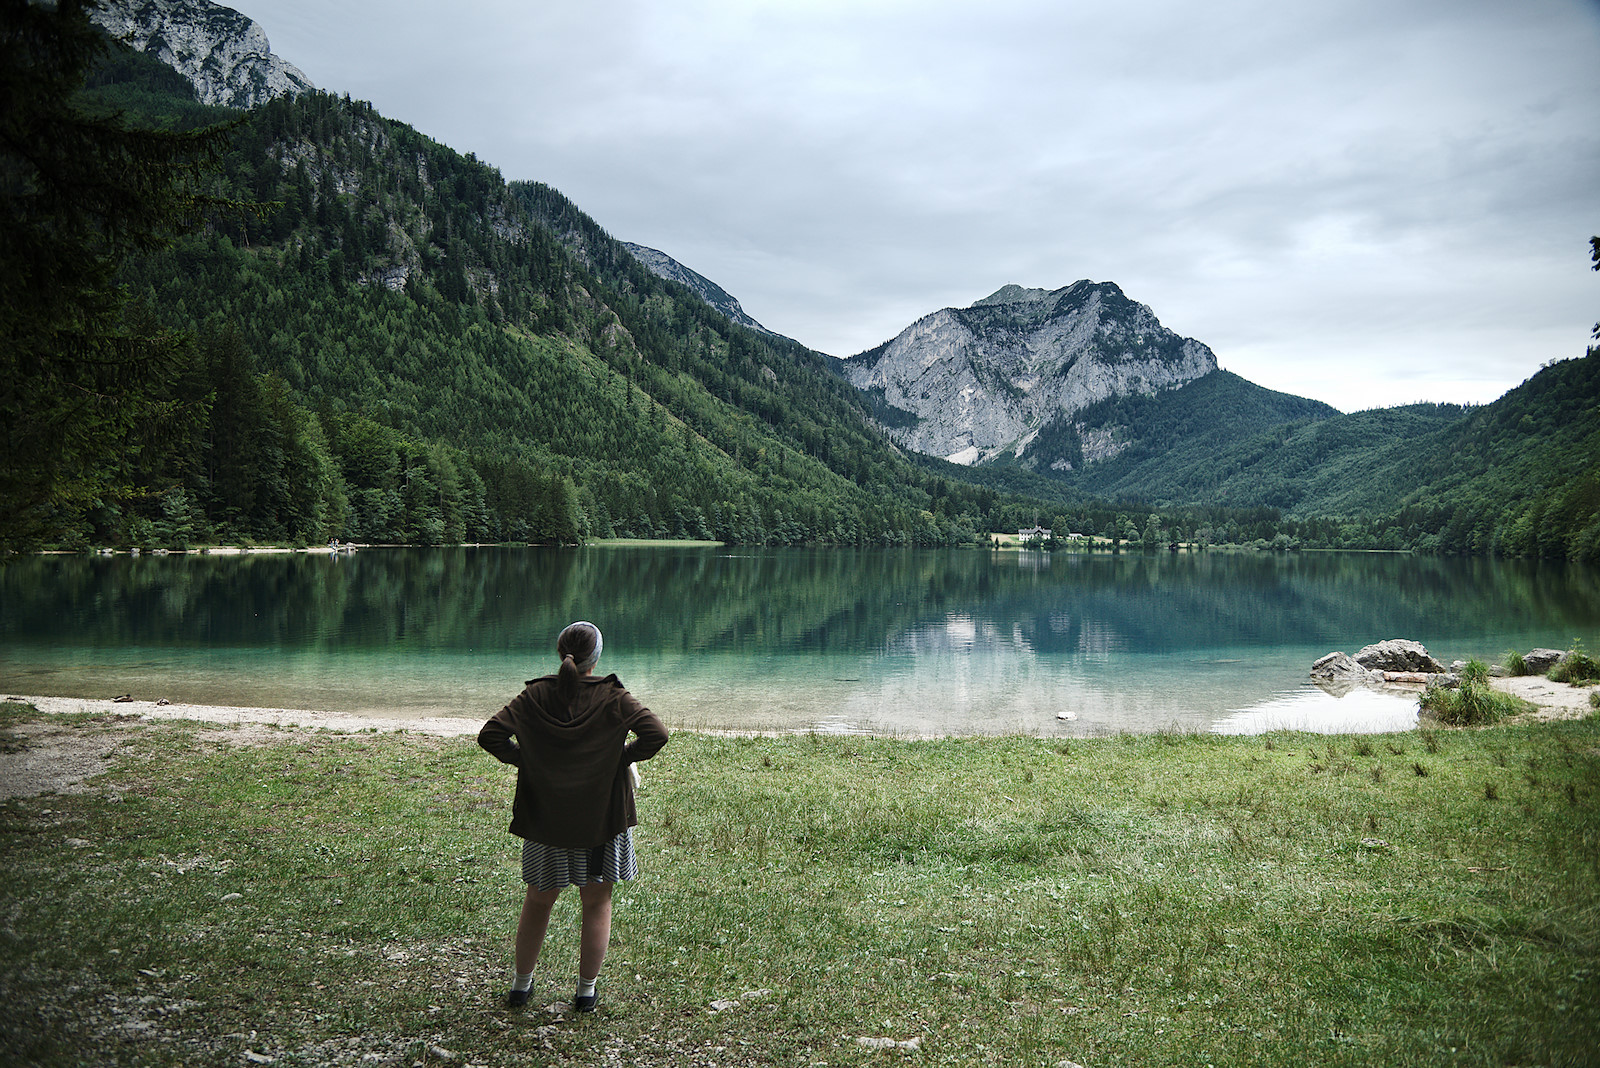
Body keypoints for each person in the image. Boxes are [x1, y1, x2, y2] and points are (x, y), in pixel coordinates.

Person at [478, 620, 668, 1012]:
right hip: (603, 820)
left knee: (537, 900)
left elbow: (491, 735)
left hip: (545, 817)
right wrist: (620, 758)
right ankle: (585, 993)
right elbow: (656, 733)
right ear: (595, 659)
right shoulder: (613, 696)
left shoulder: (534, 695)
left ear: (560, 653)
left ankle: (520, 987)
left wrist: (526, 762)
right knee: (596, 903)